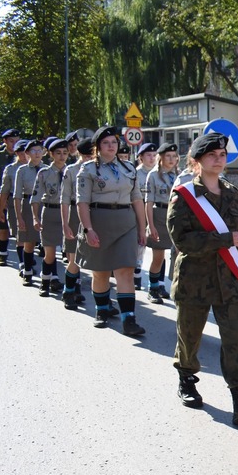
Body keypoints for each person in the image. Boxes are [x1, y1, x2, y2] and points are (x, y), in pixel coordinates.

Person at [166, 132, 238, 425]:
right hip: (195, 279)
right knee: (190, 335)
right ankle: (186, 379)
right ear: (197, 161)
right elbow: (182, 240)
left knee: (236, 338)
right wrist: (224, 239)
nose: (219, 159)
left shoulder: (231, 192)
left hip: (229, 280)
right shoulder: (183, 196)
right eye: (212, 155)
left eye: (222, 155)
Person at [76, 125, 147, 336]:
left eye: (114, 142)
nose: (111, 146)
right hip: (99, 222)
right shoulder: (88, 170)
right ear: (97, 146)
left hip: (126, 223)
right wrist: (88, 229)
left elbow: (137, 199)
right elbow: (82, 202)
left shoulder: (129, 168)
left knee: (125, 270)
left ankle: (129, 319)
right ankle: (101, 310)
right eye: (105, 143)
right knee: (101, 272)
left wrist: (143, 229)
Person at [33, 138, 69, 297]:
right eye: (58, 153)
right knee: (50, 253)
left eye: (65, 153)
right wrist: (35, 217)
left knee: (71, 254)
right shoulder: (44, 173)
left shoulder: (72, 172)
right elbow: (35, 197)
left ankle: (72, 288)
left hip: (67, 214)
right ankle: (45, 282)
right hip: (50, 212)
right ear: (51, 154)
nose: (62, 156)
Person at [60, 137, 94, 308]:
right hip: (75, 213)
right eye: (87, 155)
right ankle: (69, 290)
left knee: (98, 260)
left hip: (94, 214)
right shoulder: (71, 171)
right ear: (80, 154)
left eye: (92, 155)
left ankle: (102, 299)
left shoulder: (99, 169)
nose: (90, 158)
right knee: (74, 258)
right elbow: (65, 199)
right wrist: (65, 223)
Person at [144, 142, 178, 304]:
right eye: (168, 156)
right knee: (158, 257)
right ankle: (153, 287)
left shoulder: (179, 175)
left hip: (176, 216)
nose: (171, 159)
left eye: (174, 156)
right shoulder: (153, 175)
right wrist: (150, 225)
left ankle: (170, 286)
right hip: (159, 215)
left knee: (178, 256)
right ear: (161, 158)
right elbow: (148, 202)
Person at [13, 139, 44, 286]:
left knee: (47, 243)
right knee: (29, 240)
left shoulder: (47, 169)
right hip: (27, 204)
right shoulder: (22, 170)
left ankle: (50, 275)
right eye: (33, 151)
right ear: (27, 154)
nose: (37, 154)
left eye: (39, 150)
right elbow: (17, 196)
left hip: (45, 205)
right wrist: (19, 218)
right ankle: (27, 270)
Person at [0, 129, 21, 266]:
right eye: (11, 141)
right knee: (3, 227)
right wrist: (0, 198)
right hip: (0, 197)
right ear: (5, 141)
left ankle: (24, 262)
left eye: (17, 141)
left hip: (18, 198)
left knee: (20, 229)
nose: (14, 144)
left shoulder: (24, 157)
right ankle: (2, 253)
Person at [133, 143, 157, 291]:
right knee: (139, 244)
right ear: (141, 157)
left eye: (154, 155)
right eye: (148, 155)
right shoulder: (136, 173)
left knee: (155, 246)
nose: (152, 158)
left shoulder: (158, 172)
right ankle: (136, 274)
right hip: (138, 211)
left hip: (154, 212)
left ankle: (157, 281)